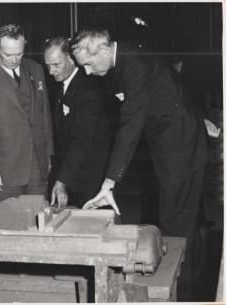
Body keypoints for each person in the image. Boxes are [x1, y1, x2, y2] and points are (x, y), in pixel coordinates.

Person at [71, 27, 208, 300]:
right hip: (173, 140)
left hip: (180, 148)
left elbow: (130, 125)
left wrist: (109, 183)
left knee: (175, 225)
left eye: (87, 64)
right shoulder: (121, 60)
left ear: (103, 49)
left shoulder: (134, 65)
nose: (86, 72)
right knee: (180, 220)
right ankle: (189, 287)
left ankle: (181, 294)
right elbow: (168, 86)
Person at [0, 24, 53, 206]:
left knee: (38, 223)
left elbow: (44, 115)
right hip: (3, 170)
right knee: (7, 225)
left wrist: (48, 154)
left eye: (19, 53)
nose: (14, 59)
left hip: (37, 167)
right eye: (8, 54)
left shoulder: (36, 70)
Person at [43, 37, 111, 208]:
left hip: (90, 177)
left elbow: (80, 142)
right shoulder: (66, 84)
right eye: (48, 65)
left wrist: (61, 182)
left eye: (56, 65)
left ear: (71, 60)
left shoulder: (87, 90)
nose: (51, 72)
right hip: (75, 173)